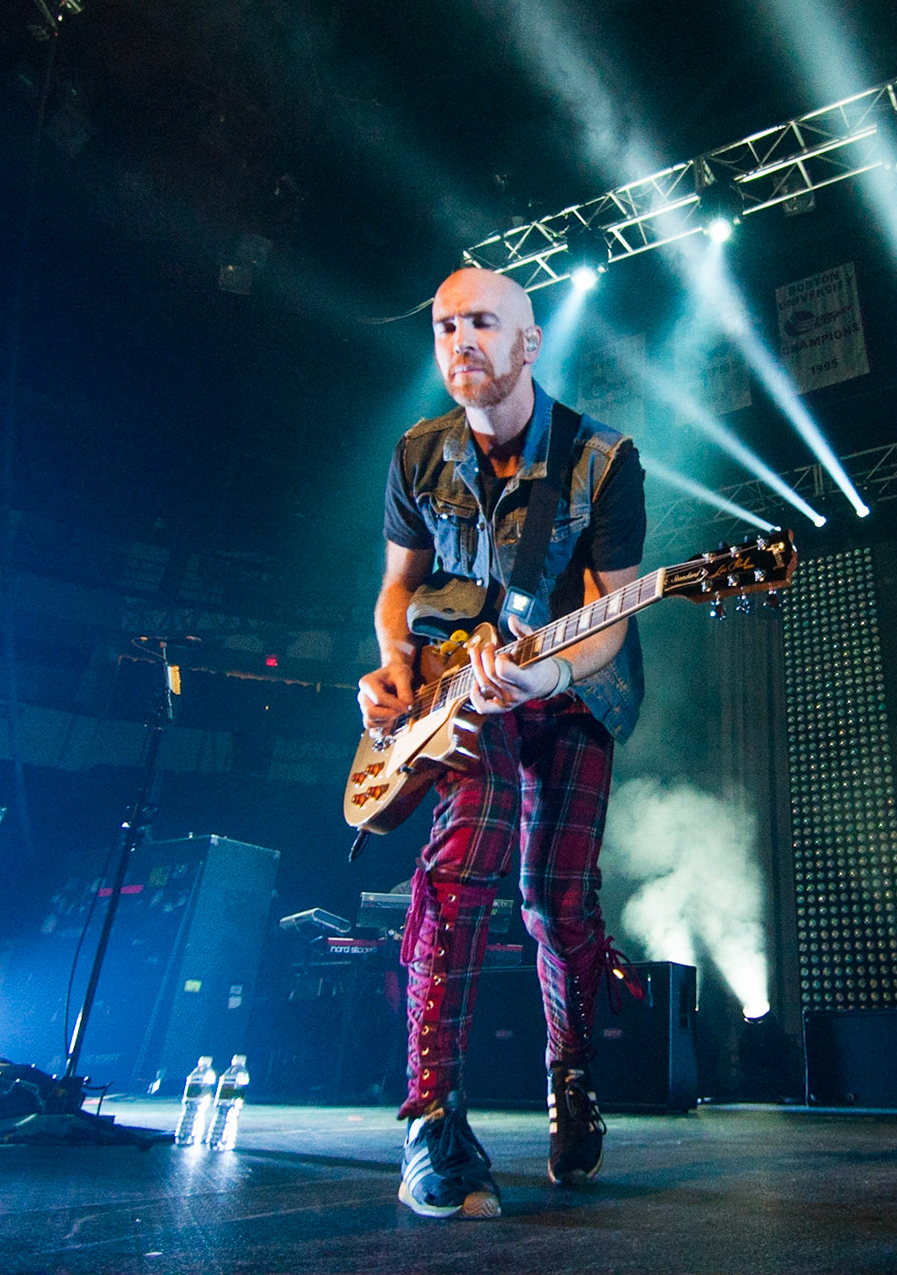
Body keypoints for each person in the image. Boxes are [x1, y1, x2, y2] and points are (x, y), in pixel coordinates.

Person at [358, 267, 646, 1218]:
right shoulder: (416, 453)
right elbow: (397, 585)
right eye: (443, 326)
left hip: (567, 691)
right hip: (455, 690)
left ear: (529, 344)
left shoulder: (603, 460)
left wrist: (549, 672)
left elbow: (607, 618)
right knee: (456, 866)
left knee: (557, 901)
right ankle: (432, 1121)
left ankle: (570, 1076)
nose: (459, 341)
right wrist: (394, 660)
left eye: (482, 322)